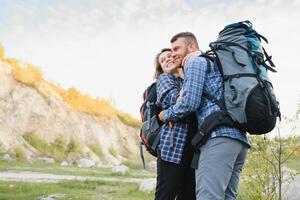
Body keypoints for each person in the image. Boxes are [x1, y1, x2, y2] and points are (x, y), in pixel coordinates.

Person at [158, 32, 250, 200]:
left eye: (177, 48)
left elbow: (189, 103)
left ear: (191, 46)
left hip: (217, 138)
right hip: (238, 139)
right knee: (228, 197)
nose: (173, 54)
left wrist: (166, 115)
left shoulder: (195, 62)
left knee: (208, 196)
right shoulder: (213, 62)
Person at [154, 48, 197, 200]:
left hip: (193, 148)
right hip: (172, 149)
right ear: (161, 68)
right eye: (162, 60)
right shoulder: (165, 79)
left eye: (169, 56)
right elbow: (178, 101)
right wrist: (187, 82)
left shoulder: (188, 77)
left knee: (189, 195)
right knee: (166, 194)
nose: (167, 60)